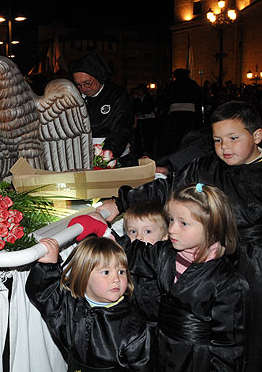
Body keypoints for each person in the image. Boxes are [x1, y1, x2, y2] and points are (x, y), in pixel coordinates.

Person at [96, 99, 262, 371]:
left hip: (254, 266)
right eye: (218, 140)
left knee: (248, 335)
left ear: (256, 135)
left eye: (233, 138)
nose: (225, 147)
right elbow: (168, 188)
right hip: (207, 260)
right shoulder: (207, 166)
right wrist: (120, 202)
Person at [111, 184, 247, 371]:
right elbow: (136, 253)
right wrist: (105, 234)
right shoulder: (166, 253)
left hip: (196, 360)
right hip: (161, 348)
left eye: (183, 223)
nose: (172, 229)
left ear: (212, 227)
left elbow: (229, 347)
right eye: (171, 220)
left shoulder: (227, 282)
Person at [25, 236, 154, 372]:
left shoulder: (133, 325)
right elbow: (43, 293)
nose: (116, 279)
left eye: (121, 272)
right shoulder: (68, 305)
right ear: (84, 275)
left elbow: (142, 366)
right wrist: (49, 265)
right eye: (106, 272)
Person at [71, 52, 134, 163]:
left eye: (87, 83)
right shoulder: (75, 98)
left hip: (111, 157)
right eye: (79, 85)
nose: (84, 89)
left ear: (98, 76)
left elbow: (120, 130)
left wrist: (105, 156)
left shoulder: (117, 95)